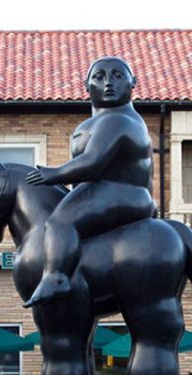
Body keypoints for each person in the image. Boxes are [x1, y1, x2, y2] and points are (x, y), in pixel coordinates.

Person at [24, 56, 157, 307]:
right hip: (120, 194)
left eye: (117, 76)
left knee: (59, 222)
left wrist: (53, 174)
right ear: (87, 86)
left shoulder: (116, 120)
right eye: (100, 76)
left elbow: (93, 162)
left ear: (133, 83)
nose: (108, 83)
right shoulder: (111, 120)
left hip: (119, 193)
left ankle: (56, 276)